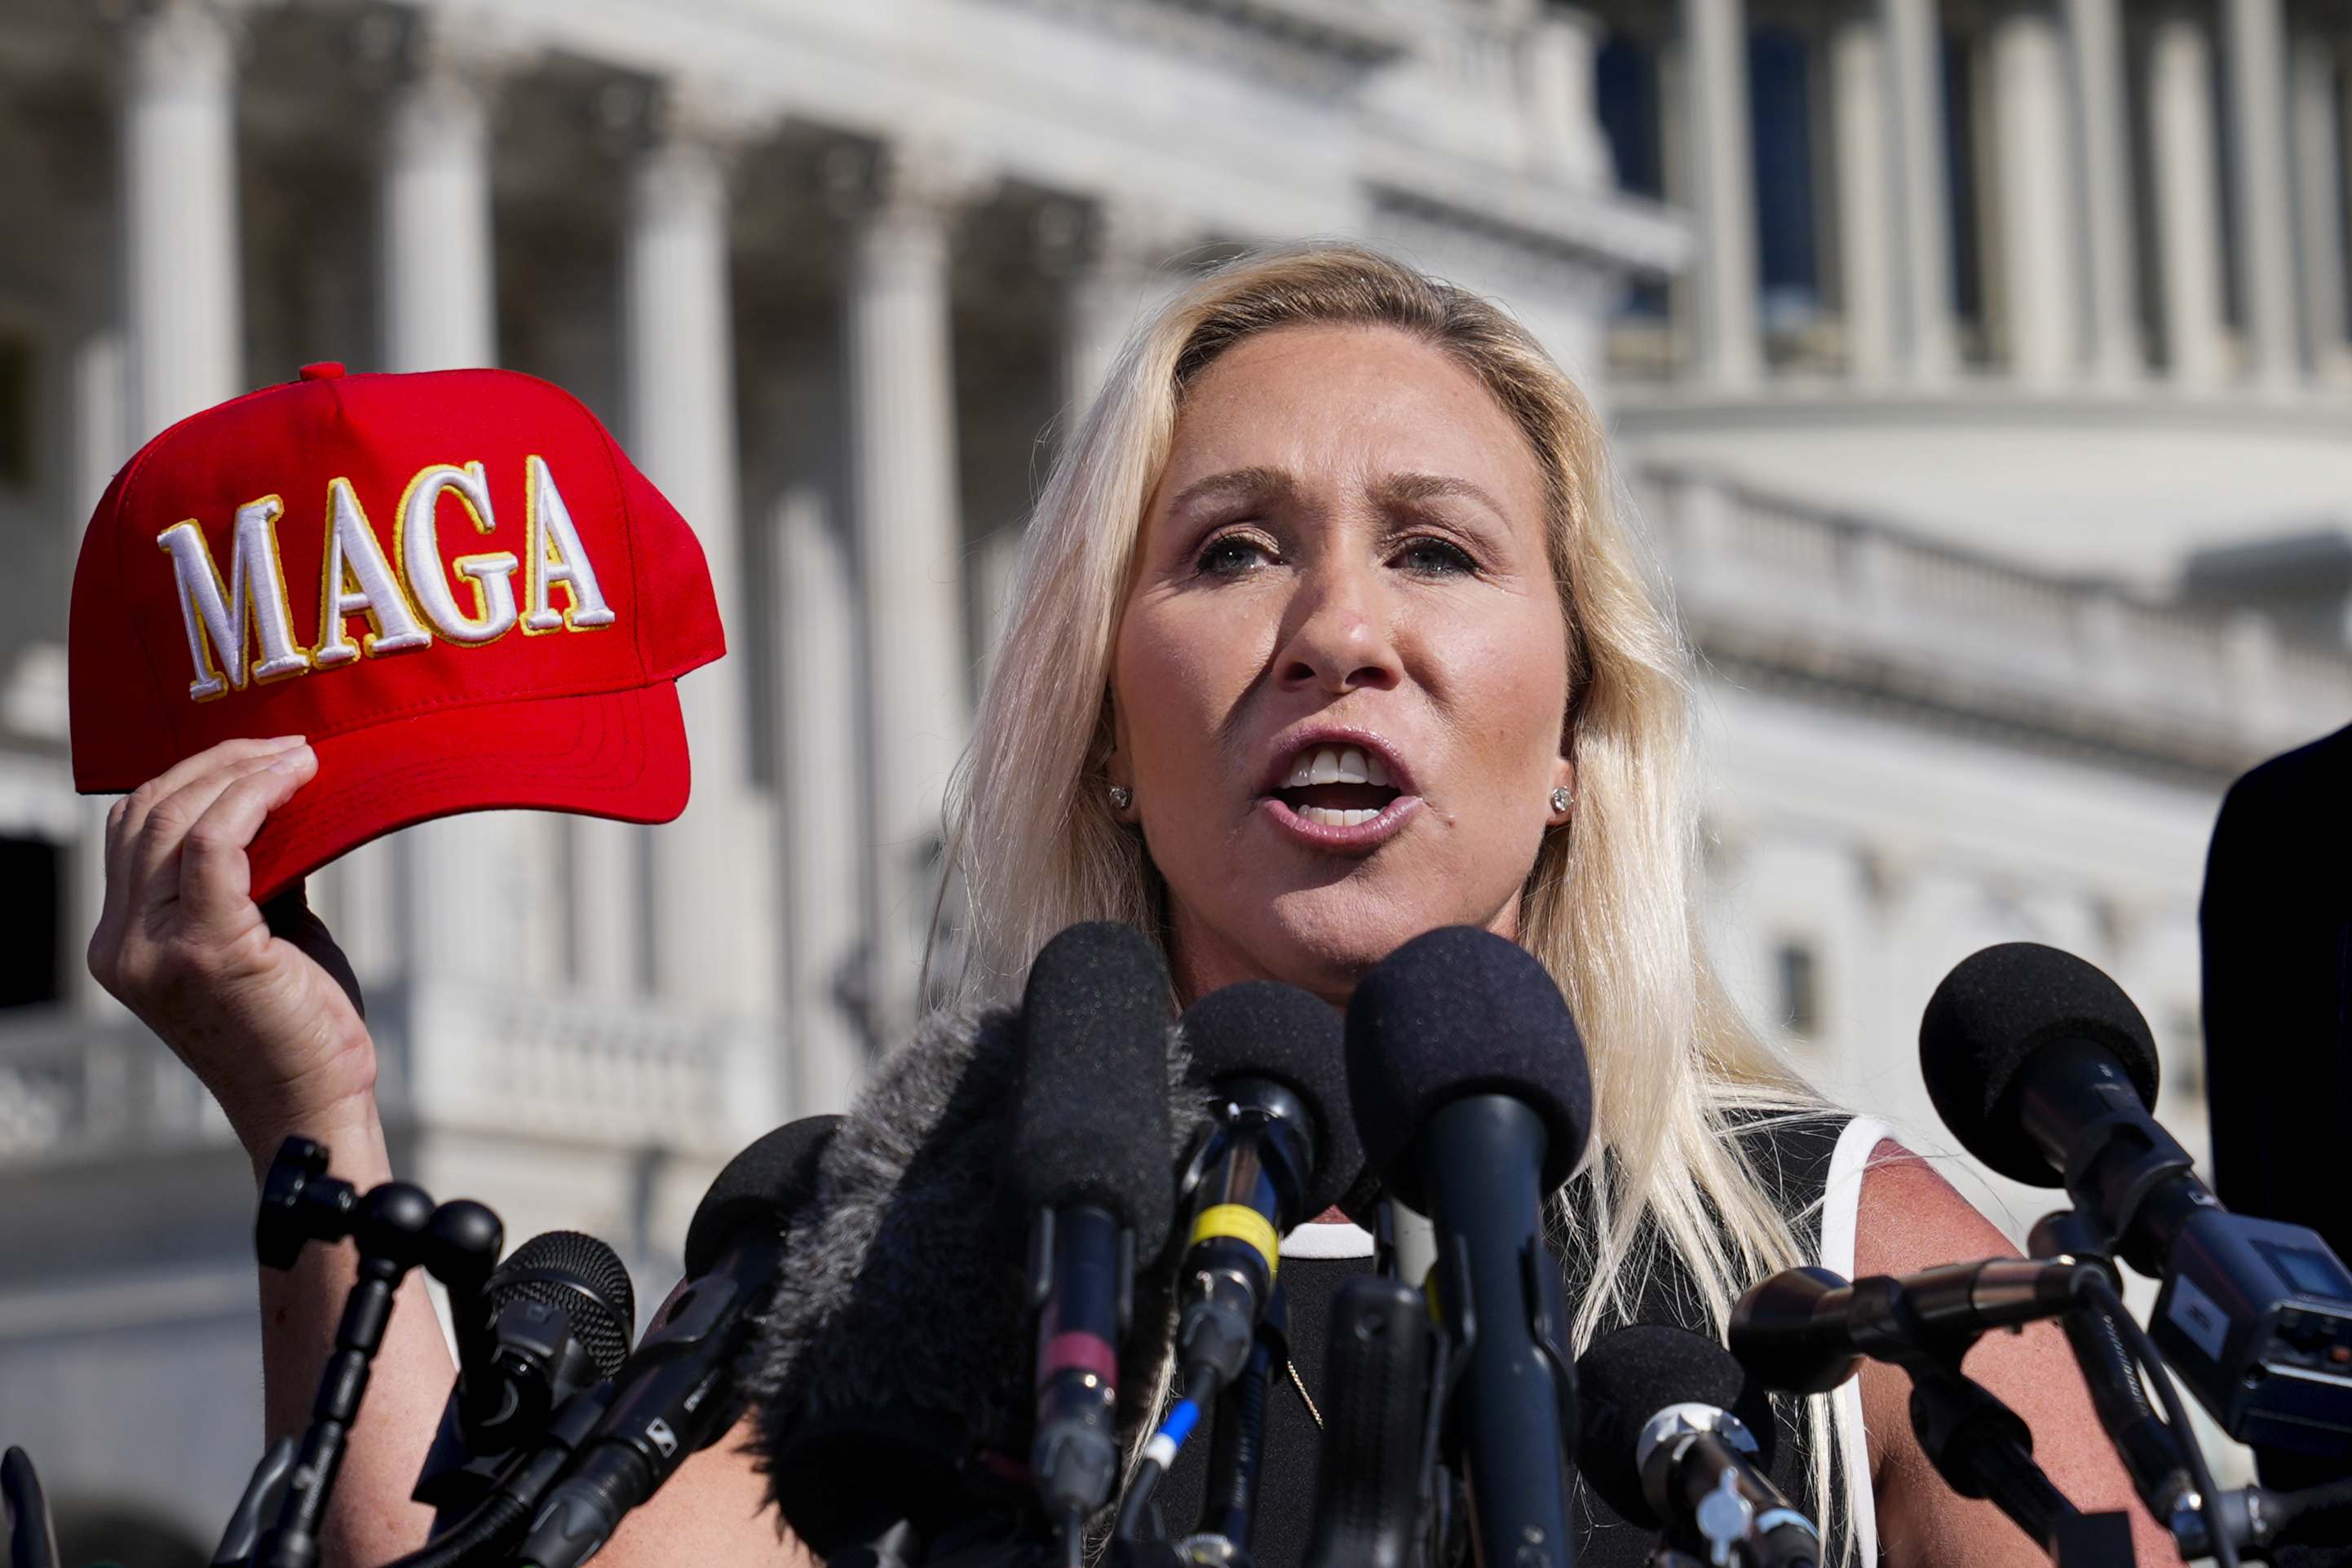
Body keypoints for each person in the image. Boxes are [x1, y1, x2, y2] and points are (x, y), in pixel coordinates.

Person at [93, 245, 2181, 1568]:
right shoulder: (890, 1270)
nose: (1336, 628)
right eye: (1230, 551)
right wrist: (310, 1113)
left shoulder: (1839, 1260)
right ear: (1105, 719)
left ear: (1573, 734)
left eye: (1438, 551)